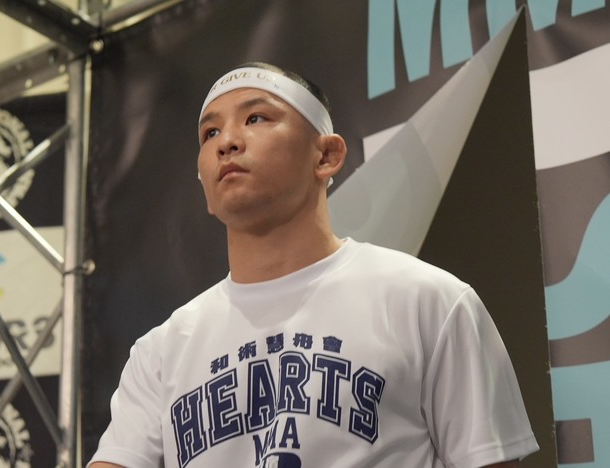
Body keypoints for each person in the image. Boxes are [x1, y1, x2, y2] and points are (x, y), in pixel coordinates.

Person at [89, 62, 539, 468]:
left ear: (326, 156)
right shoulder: (161, 352)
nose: (227, 141)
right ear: (204, 184)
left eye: (255, 118)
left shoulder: (428, 301)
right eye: (210, 133)